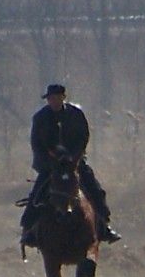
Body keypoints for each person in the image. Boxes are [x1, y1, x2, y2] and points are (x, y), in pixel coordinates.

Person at [19, 84, 122, 246]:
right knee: (37, 194)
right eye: (51, 99)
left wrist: (74, 157)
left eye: (57, 98)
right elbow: (36, 144)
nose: (53, 102)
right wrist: (50, 160)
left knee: (95, 190)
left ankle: (104, 225)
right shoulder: (40, 118)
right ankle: (28, 229)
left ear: (63, 98)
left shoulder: (76, 115)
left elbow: (83, 138)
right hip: (50, 166)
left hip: (75, 163)